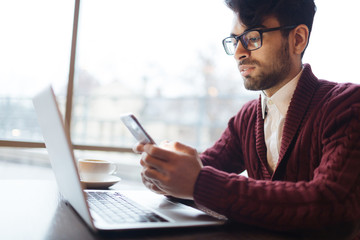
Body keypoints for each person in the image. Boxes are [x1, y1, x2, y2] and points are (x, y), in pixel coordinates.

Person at [134, 0, 360, 233]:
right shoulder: (247, 118)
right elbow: (202, 170)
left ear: (298, 39)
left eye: (252, 38)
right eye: (234, 41)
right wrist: (164, 176)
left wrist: (198, 183)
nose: (239, 53)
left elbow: (331, 201)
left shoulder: (346, 105)